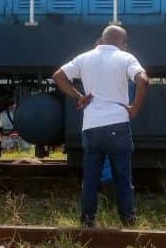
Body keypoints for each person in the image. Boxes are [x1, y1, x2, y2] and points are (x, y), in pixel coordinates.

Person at [52, 25, 150, 228]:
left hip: (91, 127)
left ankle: (88, 219)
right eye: (126, 42)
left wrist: (79, 97)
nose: (126, 45)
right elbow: (144, 80)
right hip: (118, 125)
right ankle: (127, 219)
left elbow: (58, 76)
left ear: (103, 39)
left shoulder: (84, 57)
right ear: (119, 41)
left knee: (90, 177)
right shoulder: (126, 58)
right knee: (122, 176)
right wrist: (134, 108)